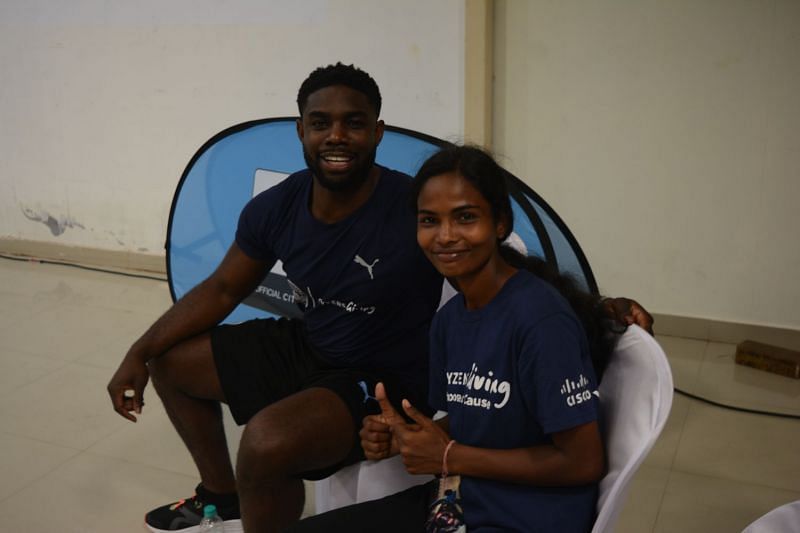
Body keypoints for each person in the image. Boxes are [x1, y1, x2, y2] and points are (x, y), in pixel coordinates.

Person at [106, 63, 652, 533]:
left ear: (378, 132)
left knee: (266, 443)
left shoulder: (410, 206)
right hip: (312, 341)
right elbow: (225, 287)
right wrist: (138, 351)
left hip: (377, 376)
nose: (337, 136)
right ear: (301, 131)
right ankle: (220, 496)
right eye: (321, 123)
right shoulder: (276, 207)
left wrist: (599, 308)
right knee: (171, 361)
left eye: (354, 123)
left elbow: (502, 266)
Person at [287, 144, 617, 532]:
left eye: (465, 217)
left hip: (525, 518)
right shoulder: (449, 321)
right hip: (460, 501)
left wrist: (447, 455)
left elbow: (582, 462)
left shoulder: (540, 321)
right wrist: (405, 439)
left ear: (500, 223)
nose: (445, 236)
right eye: (429, 220)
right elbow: (475, 422)